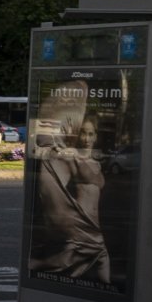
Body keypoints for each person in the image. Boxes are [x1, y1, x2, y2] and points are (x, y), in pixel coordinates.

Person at [31, 116, 110, 283]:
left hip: (94, 227)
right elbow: (51, 169)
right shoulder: (71, 157)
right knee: (62, 264)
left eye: (90, 134)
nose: (87, 138)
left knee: (92, 265)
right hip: (78, 226)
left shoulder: (97, 163)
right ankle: (33, 271)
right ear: (77, 136)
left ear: (95, 136)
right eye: (83, 133)